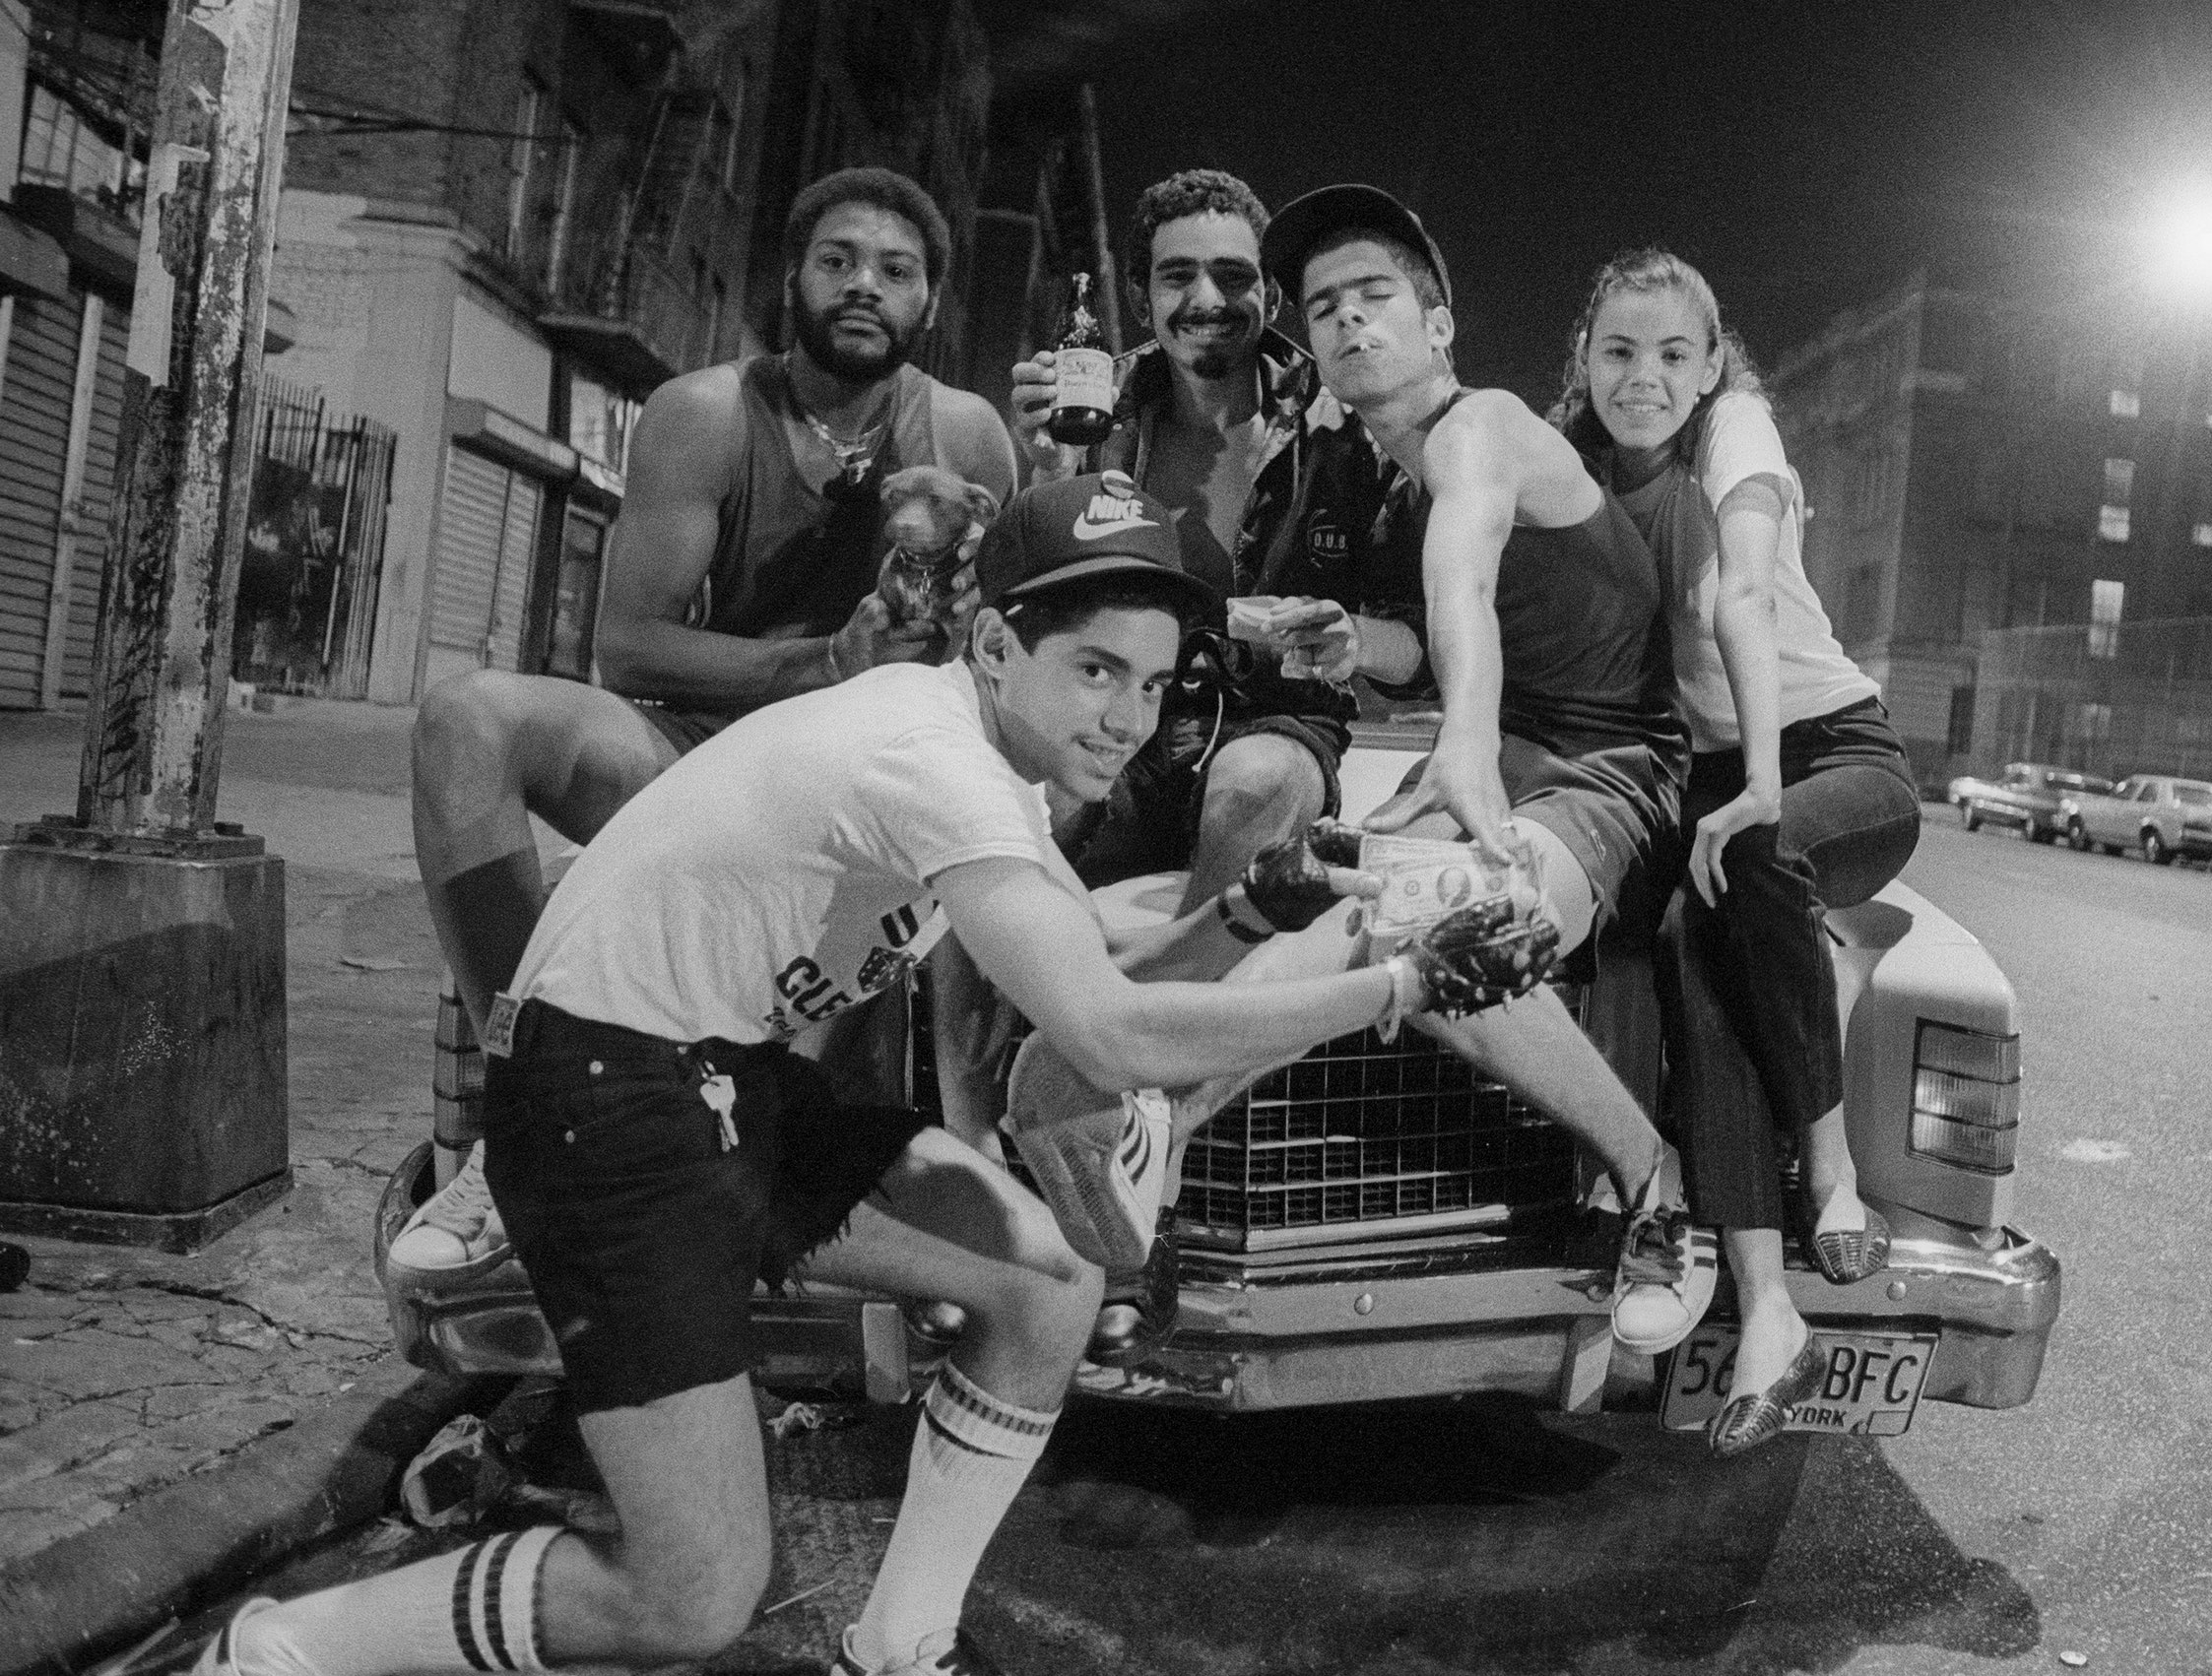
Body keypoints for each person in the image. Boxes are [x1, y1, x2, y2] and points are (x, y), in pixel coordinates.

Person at [190, 472, 1551, 1676]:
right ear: (993, 640)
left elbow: (1097, 960)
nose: (1129, 717)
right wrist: (1406, 985)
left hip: (725, 1077)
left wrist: (1263, 904)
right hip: (606, 1099)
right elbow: (1111, 1035)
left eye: (1153, 681)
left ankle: (899, 1646)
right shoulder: (932, 758)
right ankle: (286, 1647)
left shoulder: (988, 774)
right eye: (1093, 669)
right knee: (687, 1597)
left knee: (1044, 1278)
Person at [1083, 183, 1719, 1355]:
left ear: (1438, 327)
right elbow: (1413, 635)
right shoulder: (1381, 474)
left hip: (1602, 768)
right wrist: (1374, 663)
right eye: (1322, 306)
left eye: (1376, 296)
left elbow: (1464, 584)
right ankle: (1157, 1143)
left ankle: (1654, 1189)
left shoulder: (1477, 428)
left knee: (1430, 920)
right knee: (1341, 916)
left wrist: (1463, 744)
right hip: (1508, 749)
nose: (1347, 320)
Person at [390, 166, 1020, 1287]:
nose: (863, 285)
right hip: (706, 759)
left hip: (881, 803)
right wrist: (821, 661)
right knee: (465, 718)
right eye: (837, 260)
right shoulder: (709, 412)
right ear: (793, 279)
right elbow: (628, 646)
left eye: (895, 269)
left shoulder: (968, 437)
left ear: (930, 302)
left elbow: (1015, 660)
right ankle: (525, 1106)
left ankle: (964, 1177)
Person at [1552, 248, 1921, 1455]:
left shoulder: (1739, 433)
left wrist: (1762, 780)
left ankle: (1829, 1166)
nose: (1643, 376)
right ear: (1585, 361)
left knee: (1754, 857)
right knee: (1679, 943)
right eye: (1618, 351)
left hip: (1835, 756)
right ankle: (1766, 1310)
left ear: (1711, 365)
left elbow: (1741, 594)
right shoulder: (1582, 477)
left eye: (1672, 352)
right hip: (1709, 772)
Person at [1006, 168, 1426, 904]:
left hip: (1280, 724)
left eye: (1233, 277)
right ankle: (1033, 1011)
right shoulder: (1095, 408)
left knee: (1253, 782)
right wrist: (1051, 467)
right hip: (1115, 712)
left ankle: (1182, 1006)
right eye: (1179, 276)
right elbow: (1031, 603)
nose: (1207, 300)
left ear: (1269, 291)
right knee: (1005, 804)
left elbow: (1419, 649)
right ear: (1142, 297)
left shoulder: (1346, 428)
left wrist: (1352, 636)